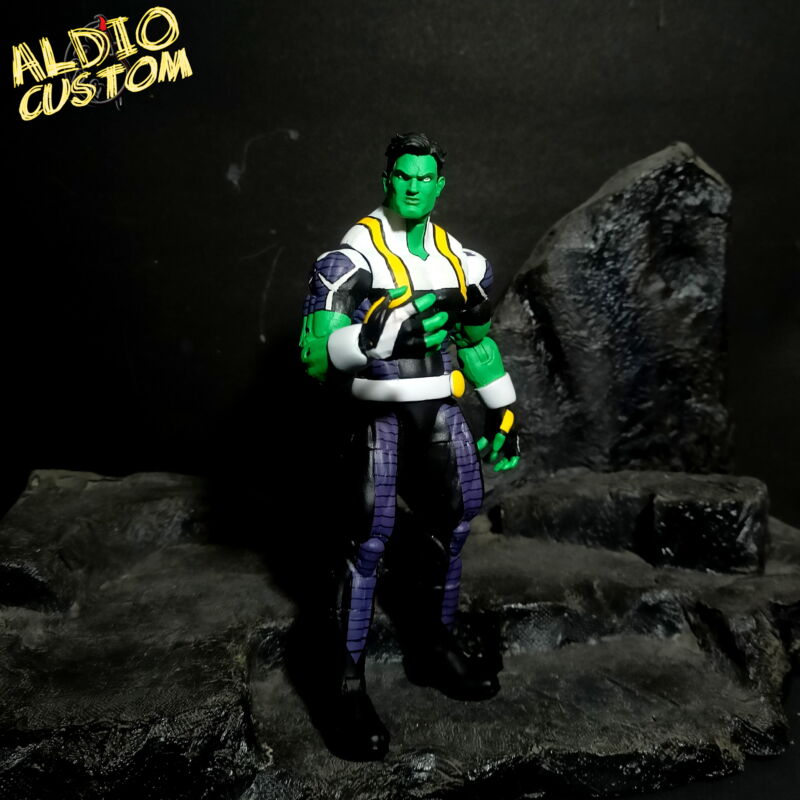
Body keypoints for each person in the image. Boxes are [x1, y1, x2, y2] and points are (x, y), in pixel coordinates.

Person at [299, 132, 519, 760]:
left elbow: (476, 340)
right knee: (366, 542)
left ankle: (435, 647)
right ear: (387, 179)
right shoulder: (349, 260)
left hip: (441, 407)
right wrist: (371, 338)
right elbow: (314, 355)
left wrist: (503, 407)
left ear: (440, 184)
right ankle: (343, 686)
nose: (414, 187)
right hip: (377, 414)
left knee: (455, 521)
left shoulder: (464, 263)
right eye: (404, 176)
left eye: (425, 178)